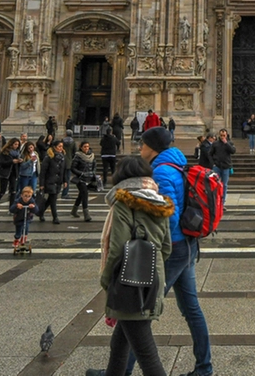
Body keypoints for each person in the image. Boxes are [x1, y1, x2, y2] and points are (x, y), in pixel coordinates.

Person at [131, 126, 213, 376]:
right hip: (187, 246)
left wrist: (160, 247)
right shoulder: (177, 164)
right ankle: (204, 367)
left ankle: (119, 369)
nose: (139, 148)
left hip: (175, 249)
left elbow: (170, 216)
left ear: (154, 147)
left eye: (143, 144)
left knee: (139, 311)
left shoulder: (162, 171)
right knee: (191, 309)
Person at [85, 155, 175, 376]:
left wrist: (106, 280)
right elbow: (166, 247)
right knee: (121, 342)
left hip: (129, 281)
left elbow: (117, 249)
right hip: (152, 278)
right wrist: (150, 267)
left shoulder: (124, 203)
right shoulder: (159, 201)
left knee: (146, 353)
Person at [40, 142, 67, 223]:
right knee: (53, 199)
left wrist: (65, 180)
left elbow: (64, 170)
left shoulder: (62, 158)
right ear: (55, 147)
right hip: (50, 181)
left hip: (58, 181)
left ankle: (40, 212)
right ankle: (55, 217)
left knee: (50, 199)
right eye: (59, 146)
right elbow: (43, 172)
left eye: (62, 146)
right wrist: (41, 184)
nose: (61, 148)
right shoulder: (48, 158)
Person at [71, 141, 96, 221]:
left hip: (89, 178)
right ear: (81, 147)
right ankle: (86, 214)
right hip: (80, 179)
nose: (86, 148)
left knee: (81, 195)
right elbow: (73, 168)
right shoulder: (77, 156)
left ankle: (74, 211)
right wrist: (81, 173)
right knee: (85, 194)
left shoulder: (92, 156)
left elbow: (94, 166)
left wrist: (93, 173)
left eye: (87, 146)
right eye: (85, 146)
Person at [10, 186, 38, 254]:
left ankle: (23, 239)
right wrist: (17, 206)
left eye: (29, 196)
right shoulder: (18, 201)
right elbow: (11, 209)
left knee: (26, 228)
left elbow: (36, 210)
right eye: (25, 196)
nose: (27, 198)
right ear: (21, 195)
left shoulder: (32, 201)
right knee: (18, 231)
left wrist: (33, 207)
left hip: (27, 218)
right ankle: (17, 239)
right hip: (18, 218)